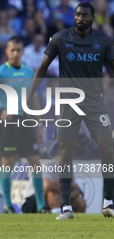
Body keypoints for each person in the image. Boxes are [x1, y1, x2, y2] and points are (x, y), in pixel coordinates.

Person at [26, 2, 114, 220]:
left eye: (85, 15)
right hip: (69, 103)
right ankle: (66, 207)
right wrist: (30, 94)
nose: (80, 18)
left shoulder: (103, 40)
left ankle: (108, 202)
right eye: (77, 14)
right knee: (66, 153)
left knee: (108, 150)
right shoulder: (60, 38)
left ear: (93, 18)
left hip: (94, 102)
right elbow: (43, 67)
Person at [0, 36, 48, 213]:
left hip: (27, 122)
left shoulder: (29, 72)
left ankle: (42, 205)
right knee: (8, 163)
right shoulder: (0, 72)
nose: (15, 53)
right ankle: (8, 204)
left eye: (19, 50)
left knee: (35, 162)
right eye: (12, 50)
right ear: (6, 51)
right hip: (9, 123)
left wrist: (40, 125)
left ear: (22, 51)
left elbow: (33, 98)